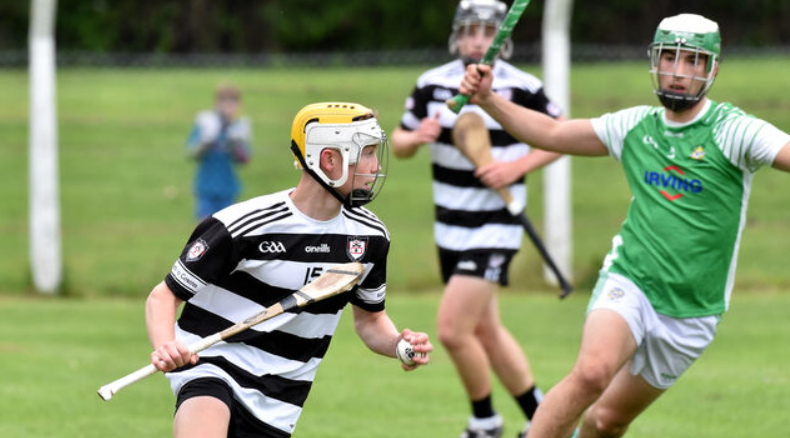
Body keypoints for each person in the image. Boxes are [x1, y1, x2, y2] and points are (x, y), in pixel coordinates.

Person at [459, 13, 790, 438]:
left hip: (692, 312)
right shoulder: (635, 126)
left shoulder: (733, 131)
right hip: (631, 280)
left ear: (712, 69)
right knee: (592, 372)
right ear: (655, 60)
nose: (678, 71)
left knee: (606, 421)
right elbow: (552, 133)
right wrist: (489, 99)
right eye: (669, 57)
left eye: (692, 60)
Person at [147, 102, 433, 438]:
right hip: (210, 363)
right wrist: (166, 346)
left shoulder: (370, 238)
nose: (376, 165)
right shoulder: (242, 226)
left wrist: (399, 344)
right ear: (329, 159)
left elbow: (370, 321)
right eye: (367, 153)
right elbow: (163, 296)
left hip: (281, 396)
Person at [391, 1, 563, 437]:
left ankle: (484, 422)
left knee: (451, 329)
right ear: (457, 35)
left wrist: (515, 168)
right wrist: (416, 137)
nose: (477, 41)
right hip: (450, 226)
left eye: (487, 32)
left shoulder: (523, 87)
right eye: (469, 31)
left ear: (502, 39)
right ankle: (542, 420)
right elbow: (398, 141)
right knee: (486, 330)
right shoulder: (432, 83)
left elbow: (561, 137)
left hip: (497, 224)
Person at [187, 83, 252, 220]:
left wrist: (236, 144)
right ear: (216, 103)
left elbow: (244, 160)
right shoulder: (205, 124)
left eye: (232, 103)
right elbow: (193, 153)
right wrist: (206, 141)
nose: (228, 108)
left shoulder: (238, 127)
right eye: (224, 103)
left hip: (227, 187)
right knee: (205, 226)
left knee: (226, 226)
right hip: (206, 186)